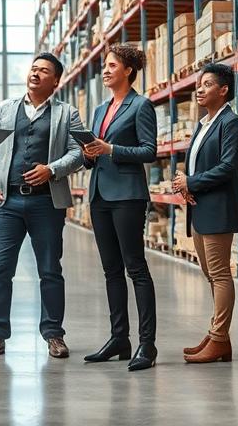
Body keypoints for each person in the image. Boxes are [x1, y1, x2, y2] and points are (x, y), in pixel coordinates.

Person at [0, 52, 87, 361]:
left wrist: (52, 169)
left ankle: (54, 334)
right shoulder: (5, 109)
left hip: (46, 203)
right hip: (6, 202)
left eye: (44, 71)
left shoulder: (67, 114)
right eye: (34, 69)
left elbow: (79, 152)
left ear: (56, 81)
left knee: (50, 270)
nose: (35, 74)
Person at [82, 44, 159, 372]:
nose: (106, 70)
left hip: (127, 195)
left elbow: (149, 151)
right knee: (110, 270)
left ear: (128, 70)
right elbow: (96, 153)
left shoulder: (141, 105)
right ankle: (119, 338)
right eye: (105, 66)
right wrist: (89, 153)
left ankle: (147, 343)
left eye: (112, 65)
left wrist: (111, 148)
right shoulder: (100, 110)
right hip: (100, 193)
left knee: (136, 268)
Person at [171, 62, 238, 363]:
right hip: (200, 207)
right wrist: (185, 183)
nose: (199, 90)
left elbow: (228, 167)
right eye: (198, 85)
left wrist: (192, 181)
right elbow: (199, 164)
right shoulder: (204, 124)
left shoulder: (231, 123)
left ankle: (219, 338)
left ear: (224, 89)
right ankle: (218, 335)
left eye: (207, 84)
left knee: (219, 274)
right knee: (209, 275)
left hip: (218, 208)